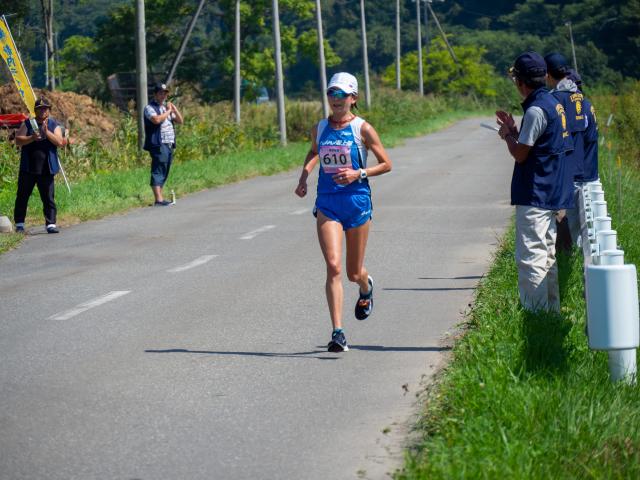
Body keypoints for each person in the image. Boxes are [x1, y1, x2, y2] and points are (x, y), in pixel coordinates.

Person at [294, 72, 392, 352]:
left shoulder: (363, 129)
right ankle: (338, 332)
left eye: (341, 95)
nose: (336, 100)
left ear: (353, 98)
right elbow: (314, 152)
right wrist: (304, 177)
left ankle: (365, 286)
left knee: (352, 272)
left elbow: (386, 164)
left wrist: (357, 173)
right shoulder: (320, 128)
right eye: (331, 94)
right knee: (334, 266)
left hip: (357, 202)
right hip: (327, 203)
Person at [495, 52, 574, 313]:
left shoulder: (536, 109)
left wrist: (507, 135)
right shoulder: (553, 103)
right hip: (552, 190)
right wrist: (516, 132)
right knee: (547, 254)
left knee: (531, 258)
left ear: (520, 81)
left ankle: (535, 315)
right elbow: (540, 143)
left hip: (536, 193)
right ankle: (550, 311)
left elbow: (520, 154)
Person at [544, 53, 588, 247]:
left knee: (567, 220)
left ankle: (564, 258)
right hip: (583, 166)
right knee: (580, 223)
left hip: (565, 169)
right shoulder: (579, 97)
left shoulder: (555, 100)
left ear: (547, 74)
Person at [13, 97, 65, 234]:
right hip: (28, 167)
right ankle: (19, 224)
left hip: (47, 168)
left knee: (48, 197)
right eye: (39, 109)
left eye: (45, 108)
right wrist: (32, 138)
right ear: (35, 111)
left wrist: (46, 132)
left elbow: (60, 142)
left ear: (48, 110)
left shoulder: (54, 124)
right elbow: (18, 140)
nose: (42, 111)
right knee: (22, 196)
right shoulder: (28, 124)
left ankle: (51, 224)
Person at [143, 83, 184, 206]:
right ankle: (158, 199)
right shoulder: (149, 108)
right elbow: (156, 120)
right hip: (158, 143)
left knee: (165, 169)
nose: (163, 95)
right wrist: (168, 111)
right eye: (161, 93)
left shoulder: (165, 108)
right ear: (155, 94)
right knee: (158, 169)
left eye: (165, 93)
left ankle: (160, 197)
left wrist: (174, 109)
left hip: (168, 143)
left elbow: (180, 121)